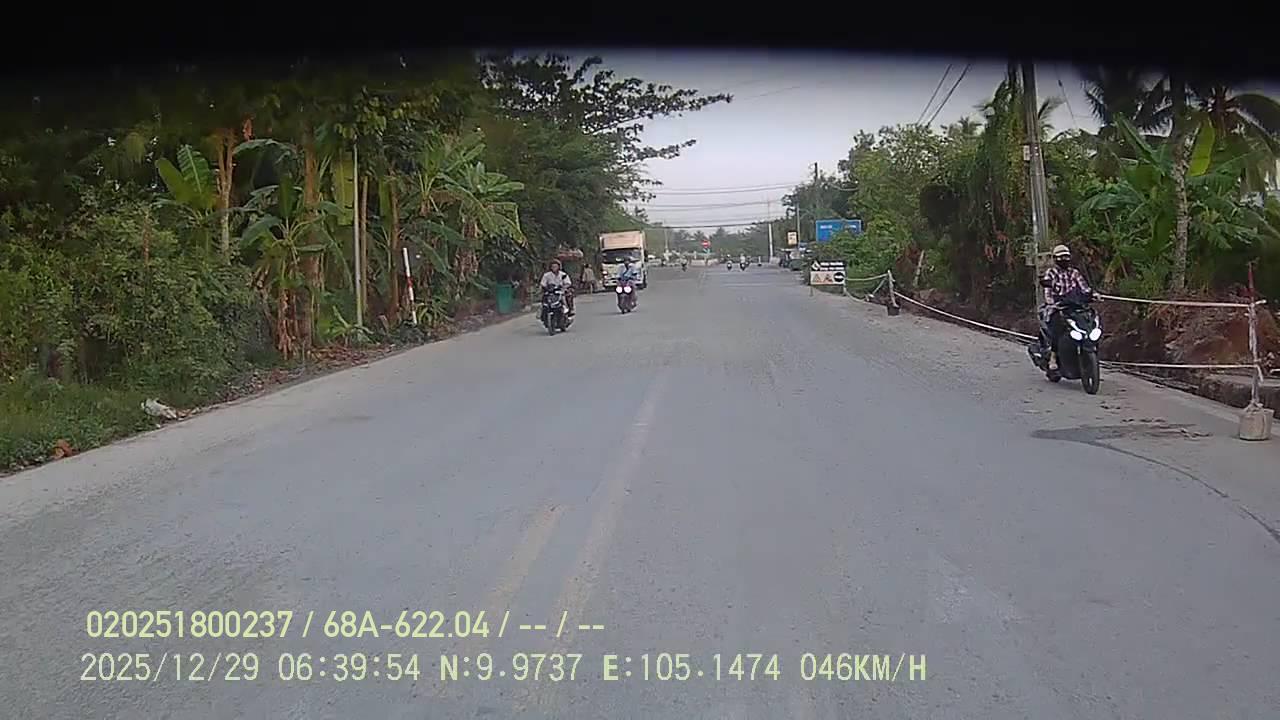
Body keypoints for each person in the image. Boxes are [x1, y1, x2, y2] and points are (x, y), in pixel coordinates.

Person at [1039, 244, 1093, 357]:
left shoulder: (1074, 272)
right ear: (1055, 259)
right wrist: (1052, 303)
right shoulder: (1051, 273)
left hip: (1074, 305)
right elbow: (1048, 294)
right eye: (1060, 257)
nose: (1064, 259)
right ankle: (1053, 356)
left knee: (1090, 320)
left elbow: (1085, 288)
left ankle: (1090, 348)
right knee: (1056, 326)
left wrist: (1093, 295)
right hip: (1058, 307)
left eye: (1066, 257)